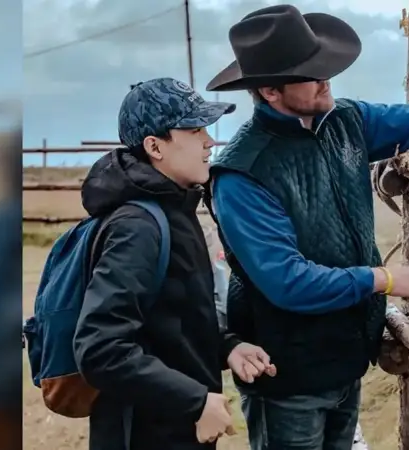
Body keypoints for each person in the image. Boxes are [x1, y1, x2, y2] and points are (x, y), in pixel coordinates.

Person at [203, 5, 409, 450]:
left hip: (344, 360)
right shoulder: (242, 173)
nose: (327, 78)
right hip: (287, 374)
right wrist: (382, 279)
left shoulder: (345, 121)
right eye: (310, 73)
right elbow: (285, 281)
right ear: (269, 90)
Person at [72, 77, 276, 450]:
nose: (209, 141)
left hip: (178, 430)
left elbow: (172, 323)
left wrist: (227, 347)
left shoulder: (174, 211)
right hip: (144, 435)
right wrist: (195, 400)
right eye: (195, 129)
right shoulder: (137, 228)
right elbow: (100, 348)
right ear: (155, 146)